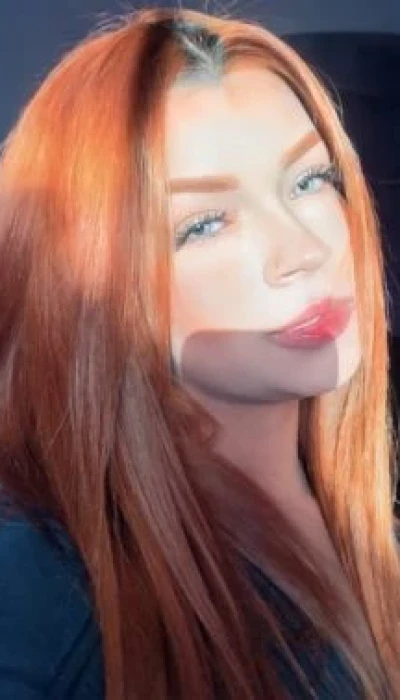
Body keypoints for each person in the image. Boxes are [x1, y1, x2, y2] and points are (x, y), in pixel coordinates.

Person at [0, 7, 398, 699]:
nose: (304, 249)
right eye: (206, 223)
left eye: (309, 180)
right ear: (90, 286)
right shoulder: (53, 584)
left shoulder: (373, 464)